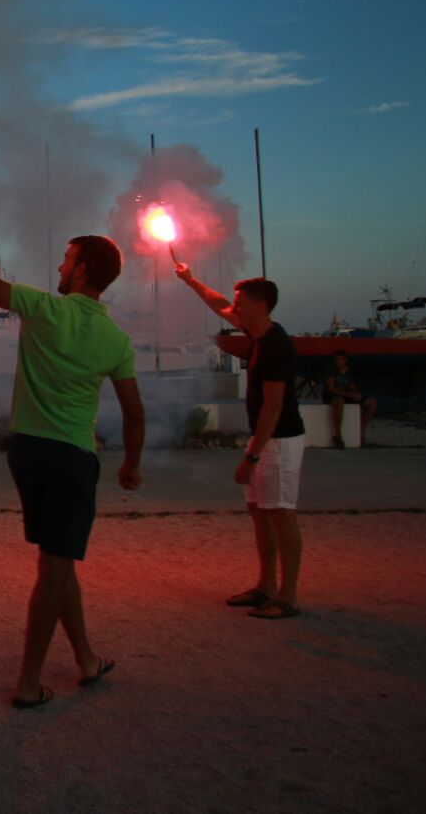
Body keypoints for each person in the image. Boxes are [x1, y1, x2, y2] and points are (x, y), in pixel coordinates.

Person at [0, 202, 144, 709]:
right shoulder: (115, 339)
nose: (60, 267)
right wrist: (131, 463)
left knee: (58, 562)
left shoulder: (44, 307)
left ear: (82, 269)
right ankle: (27, 683)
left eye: (67, 259)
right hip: (70, 460)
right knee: (55, 567)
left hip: (25, 452)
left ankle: (86, 658)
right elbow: (134, 413)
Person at [177, 266, 305, 620]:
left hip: (279, 441)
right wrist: (189, 279)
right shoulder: (257, 332)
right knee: (259, 512)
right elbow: (218, 304)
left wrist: (251, 457)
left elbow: (274, 407)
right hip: (265, 440)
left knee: (280, 513)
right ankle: (265, 585)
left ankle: (289, 596)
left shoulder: (277, 346)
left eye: (240, 302)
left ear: (261, 306)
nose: (234, 307)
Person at [323, 350, 376, 448]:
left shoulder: (349, 371)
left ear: (345, 360)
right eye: (336, 359)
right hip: (333, 396)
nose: (338, 361)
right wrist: (349, 395)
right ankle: (338, 435)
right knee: (339, 401)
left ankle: (361, 433)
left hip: (347, 395)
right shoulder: (330, 371)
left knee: (371, 402)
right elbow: (331, 390)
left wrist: (356, 395)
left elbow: (351, 387)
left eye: (340, 359)